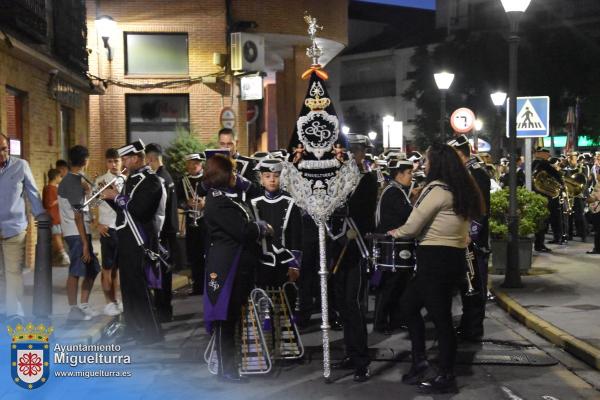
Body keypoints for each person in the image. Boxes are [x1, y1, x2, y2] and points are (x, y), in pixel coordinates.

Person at [388, 143, 484, 394]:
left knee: (440, 320)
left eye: (427, 160)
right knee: (409, 306)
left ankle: (446, 375)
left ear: (437, 163)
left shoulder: (437, 191)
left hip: (434, 259)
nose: (423, 164)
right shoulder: (460, 189)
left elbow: (412, 226)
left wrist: (395, 233)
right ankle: (421, 362)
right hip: (452, 258)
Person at [202, 154, 272, 381]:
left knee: (232, 316)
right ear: (222, 175)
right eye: (231, 171)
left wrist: (244, 184)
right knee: (225, 318)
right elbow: (242, 230)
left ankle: (231, 366)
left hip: (234, 263)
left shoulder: (226, 195)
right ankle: (227, 369)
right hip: (225, 266)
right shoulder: (218, 200)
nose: (235, 175)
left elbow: (255, 195)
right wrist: (260, 228)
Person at [102, 139, 165, 344]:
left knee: (139, 287)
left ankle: (150, 332)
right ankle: (133, 327)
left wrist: (117, 196)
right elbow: (125, 212)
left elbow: (140, 210)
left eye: (126, 158)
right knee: (127, 287)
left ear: (137, 158)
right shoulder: (132, 179)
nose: (124, 163)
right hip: (127, 238)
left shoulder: (151, 181)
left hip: (141, 241)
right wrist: (109, 199)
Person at [329, 134, 379, 383]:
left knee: (354, 304)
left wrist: (352, 229)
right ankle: (349, 352)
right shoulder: (336, 179)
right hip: (337, 246)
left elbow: (365, 212)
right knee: (341, 305)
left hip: (356, 246)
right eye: (349, 150)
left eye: (357, 151)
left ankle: (361, 360)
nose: (352, 155)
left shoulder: (368, 180)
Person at [448, 134, 490, 341]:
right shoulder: (466, 173)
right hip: (464, 236)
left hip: (473, 239)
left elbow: (480, 209)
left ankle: (474, 329)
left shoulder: (476, 173)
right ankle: (467, 325)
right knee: (467, 285)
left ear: (459, 153)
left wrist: (471, 234)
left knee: (475, 284)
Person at [0, 133, 46, 323]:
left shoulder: (21, 166)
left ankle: (15, 314)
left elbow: (33, 193)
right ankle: (4, 308)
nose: (3, 153)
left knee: (13, 272)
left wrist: (41, 216)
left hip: (14, 229)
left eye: (4, 148)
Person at [58, 145, 101, 321]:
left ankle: (82, 305)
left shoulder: (80, 179)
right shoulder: (71, 181)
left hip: (81, 230)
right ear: (85, 160)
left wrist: (91, 192)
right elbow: (77, 216)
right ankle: (73, 309)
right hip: (75, 233)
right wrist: (84, 244)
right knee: (76, 271)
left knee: (92, 269)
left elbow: (90, 207)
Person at [373, 157, 414, 335]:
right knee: (390, 286)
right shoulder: (393, 192)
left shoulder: (397, 191)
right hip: (392, 247)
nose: (411, 176)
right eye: (409, 173)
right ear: (399, 174)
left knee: (399, 286)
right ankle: (380, 323)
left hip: (398, 246)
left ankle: (395, 320)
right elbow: (408, 214)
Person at [250, 159, 302, 287]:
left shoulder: (291, 202)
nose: (272, 180)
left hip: (285, 262)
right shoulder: (253, 202)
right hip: (260, 262)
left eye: (276, 176)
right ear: (261, 179)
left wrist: (295, 265)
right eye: (267, 176)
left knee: (286, 302)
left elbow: (297, 236)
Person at [145, 143, 179, 322]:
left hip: (163, 233)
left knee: (161, 275)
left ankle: (163, 312)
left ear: (150, 159)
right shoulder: (168, 176)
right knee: (166, 274)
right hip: (171, 231)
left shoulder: (159, 179)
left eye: (146, 160)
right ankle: (166, 310)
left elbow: (159, 211)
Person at [95, 148, 125, 317]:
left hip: (123, 230)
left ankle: (116, 300)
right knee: (107, 268)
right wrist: (97, 224)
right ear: (106, 162)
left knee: (117, 270)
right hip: (107, 228)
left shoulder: (127, 180)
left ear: (121, 161)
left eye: (116, 161)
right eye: (110, 161)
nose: (113, 164)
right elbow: (91, 206)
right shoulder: (100, 181)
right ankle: (108, 303)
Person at [177, 153, 207, 295]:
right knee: (194, 255)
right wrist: (186, 203)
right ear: (186, 165)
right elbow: (178, 200)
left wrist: (205, 203)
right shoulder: (182, 181)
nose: (194, 165)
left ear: (201, 164)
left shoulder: (208, 179)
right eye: (191, 162)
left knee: (209, 254)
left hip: (207, 221)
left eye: (197, 162)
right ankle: (197, 286)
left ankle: (210, 285)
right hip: (191, 221)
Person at [532, 147, 564, 248]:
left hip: (537, 195)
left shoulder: (533, 164)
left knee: (541, 220)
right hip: (545, 196)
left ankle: (540, 243)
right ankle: (540, 243)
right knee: (545, 220)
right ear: (542, 154)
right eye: (546, 154)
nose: (548, 156)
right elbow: (556, 175)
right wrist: (561, 183)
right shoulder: (544, 164)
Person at [43, 168, 70, 265]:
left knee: (59, 235)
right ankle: (64, 255)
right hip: (53, 217)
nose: (61, 178)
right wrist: (60, 199)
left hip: (57, 216)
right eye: (60, 177)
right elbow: (49, 203)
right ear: (56, 177)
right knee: (57, 236)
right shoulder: (50, 189)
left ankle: (63, 255)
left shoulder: (52, 188)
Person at [586, 169, 600, 254]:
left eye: (598, 173)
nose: (597, 176)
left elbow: (594, 198)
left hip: (598, 211)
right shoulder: (598, 184)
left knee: (598, 231)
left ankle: (597, 249)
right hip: (596, 210)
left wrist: (585, 197)